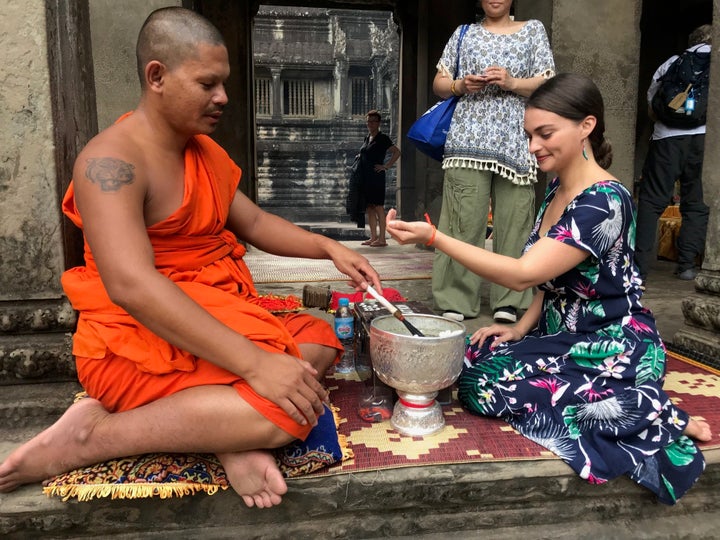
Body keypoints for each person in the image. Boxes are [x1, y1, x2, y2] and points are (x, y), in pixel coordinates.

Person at [0, 7, 382, 509]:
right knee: (283, 412)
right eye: (208, 84)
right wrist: (254, 364)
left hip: (212, 308)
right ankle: (92, 437)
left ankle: (223, 435)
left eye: (222, 84)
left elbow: (258, 225)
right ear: (156, 76)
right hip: (138, 339)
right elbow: (132, 286)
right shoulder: (108, 163)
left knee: (320, 339)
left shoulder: (201, 152)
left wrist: (331, 248)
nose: (222, 97)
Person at [386, 73, 712, 504]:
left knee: (486, 387)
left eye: (545, 134)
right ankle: (621, 397)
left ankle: (653, 413)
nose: (534, 146)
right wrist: (520, 328)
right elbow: (548, 280)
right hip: (561, 334)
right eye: (529, 135)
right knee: (465, 356)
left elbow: (523, 273)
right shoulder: (558, 186)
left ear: (586, 127)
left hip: (611, 342)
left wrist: (435, 239)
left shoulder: (604, 201)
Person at [431, 0, 554, 324]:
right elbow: (439, 83)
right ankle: (455, 298)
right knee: (461, 222)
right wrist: (461, 85)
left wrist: (512, 82)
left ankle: (510, 299)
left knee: (515, 223)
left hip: (517, 141)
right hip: (466, 141)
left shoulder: (532, 31)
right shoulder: (463, 34)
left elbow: (546, 81)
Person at [635, 25, 712, 283]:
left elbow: (652, 99)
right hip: (704, 140)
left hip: (667, 139)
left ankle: (639, 269)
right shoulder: (716, 63)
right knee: (696, 203)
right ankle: (687, 264)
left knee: (650, 202)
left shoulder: (671, 63)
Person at [356, 110, 400, 247]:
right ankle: (373, 236)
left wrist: (386, 166)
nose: (370, 124)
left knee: (379, 207)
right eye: (368, 121)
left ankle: (382, 239)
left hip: (376, 176)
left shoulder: (383, 138)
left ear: (378, 123)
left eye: (373, 121)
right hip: (366, 177)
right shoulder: (367, 138)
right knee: (369, 208)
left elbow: (397, 152)